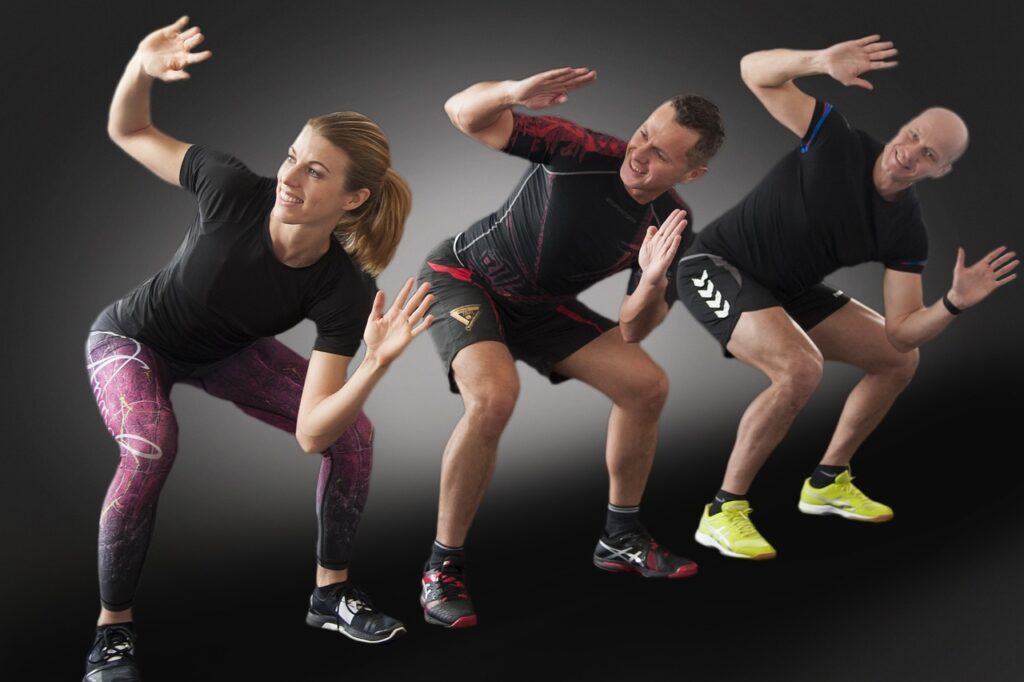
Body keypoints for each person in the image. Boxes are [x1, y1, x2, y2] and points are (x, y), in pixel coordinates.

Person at [82, 17, 433, 681]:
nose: (291, 176)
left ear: (353, 199)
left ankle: (330, 595)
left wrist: (376, 364)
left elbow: (314, 433)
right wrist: (138, 64)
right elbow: (129, 130)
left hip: (223, 352)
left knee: (352, 435)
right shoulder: (230, 188)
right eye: (292, 155)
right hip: (134, 340)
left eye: (316, 171)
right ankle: (113, 632)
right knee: (150, 442)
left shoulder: (342, 289)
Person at [661, 35, 1017, 560]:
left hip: (791, 289)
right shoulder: (836, 140)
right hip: (715, 265)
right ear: (904, 126)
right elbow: (752, 70)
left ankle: (827, 481)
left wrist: (953, 304)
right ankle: (722, 511)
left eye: (929, 155)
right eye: (914, 135)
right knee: (800, 369)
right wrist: (819, 62)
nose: (911, 152)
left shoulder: (905, 230)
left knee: (899, 359)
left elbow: (901, 331)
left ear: (939, 171)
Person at [416, 66, 725, 628]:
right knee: (494, 398)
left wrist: (653, 280)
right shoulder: (580, 151)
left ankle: (620, 535)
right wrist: (511, 94)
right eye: (644, 134)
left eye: (662, 154)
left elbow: (634, 329)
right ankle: (442, 568)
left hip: (540, 308)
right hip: (464, 277)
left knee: (647, 386)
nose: (641, 153)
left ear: (693, 172)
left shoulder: (672, 222)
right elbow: (460, 112)